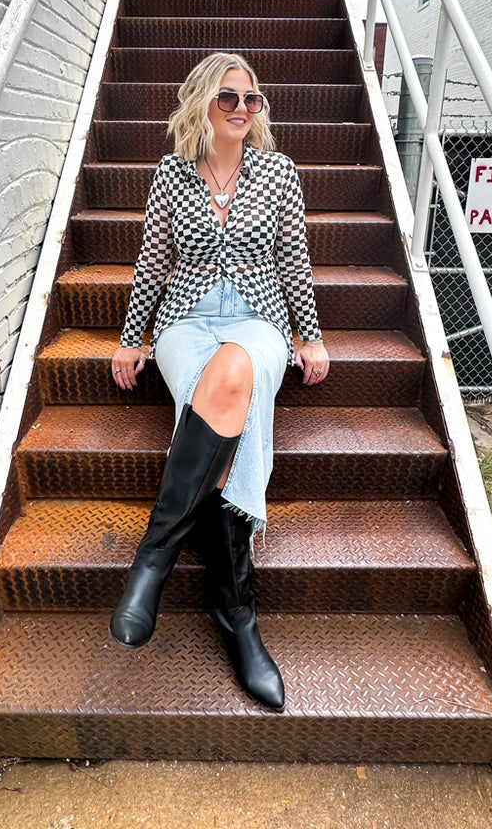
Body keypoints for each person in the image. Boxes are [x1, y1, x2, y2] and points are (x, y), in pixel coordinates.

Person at [108, 52, 330, 711]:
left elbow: (294, 256)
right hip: (184, 320)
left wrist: (307, 335)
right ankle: (240, 623)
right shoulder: (171, 177)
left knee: (234, 374)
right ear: (202, 103)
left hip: (259, 318)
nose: (241, 109)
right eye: (228, 98)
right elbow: (153, 260)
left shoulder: (280, 172)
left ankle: (154, 559)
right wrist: (131, 339)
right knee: (222, 397)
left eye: (251, 99)